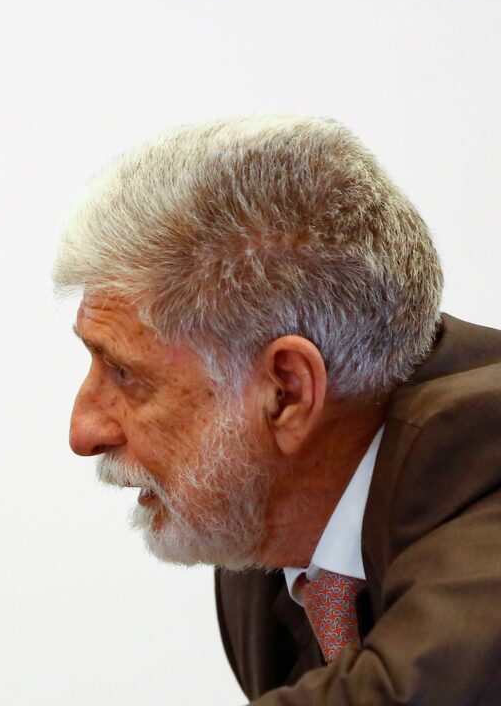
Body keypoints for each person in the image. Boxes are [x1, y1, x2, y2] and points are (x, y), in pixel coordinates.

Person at [53, 115, 501, 704]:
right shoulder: (265, 533)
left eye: (124, 374)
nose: (82, 431)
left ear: (286, 392)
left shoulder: (485, 458)